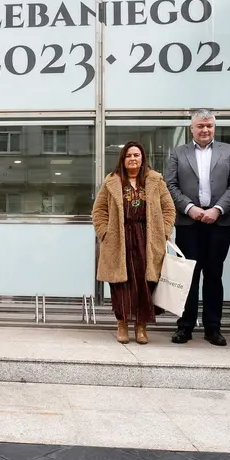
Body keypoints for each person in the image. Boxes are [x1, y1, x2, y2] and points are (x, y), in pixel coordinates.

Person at [164, 109, 230, 346]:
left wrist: (217, 209)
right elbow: (170, 184)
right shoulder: (179, 153)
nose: (205, 130)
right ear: (192, 128)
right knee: (188, 276)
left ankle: (213, 328)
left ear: (214, 127)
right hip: (189, 223)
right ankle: (185, 327)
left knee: (214, 274)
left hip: (219, 222)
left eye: (209, 125)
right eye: (200, 126)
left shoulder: (228, 150)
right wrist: (189, 207)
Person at [92, 141, 176, 344]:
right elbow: (98, 210)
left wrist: (162, 233)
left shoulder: (156, 180)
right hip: (118, 239)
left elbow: (169, 209)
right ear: (123, 159)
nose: (132, 159)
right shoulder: (112, 181)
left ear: (142, 158)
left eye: (136, 155)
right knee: (121, 284)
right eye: (129, 155)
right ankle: (122, 325)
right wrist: (105, 233)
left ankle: (141, 326)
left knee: (144, 283)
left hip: (146, 239)